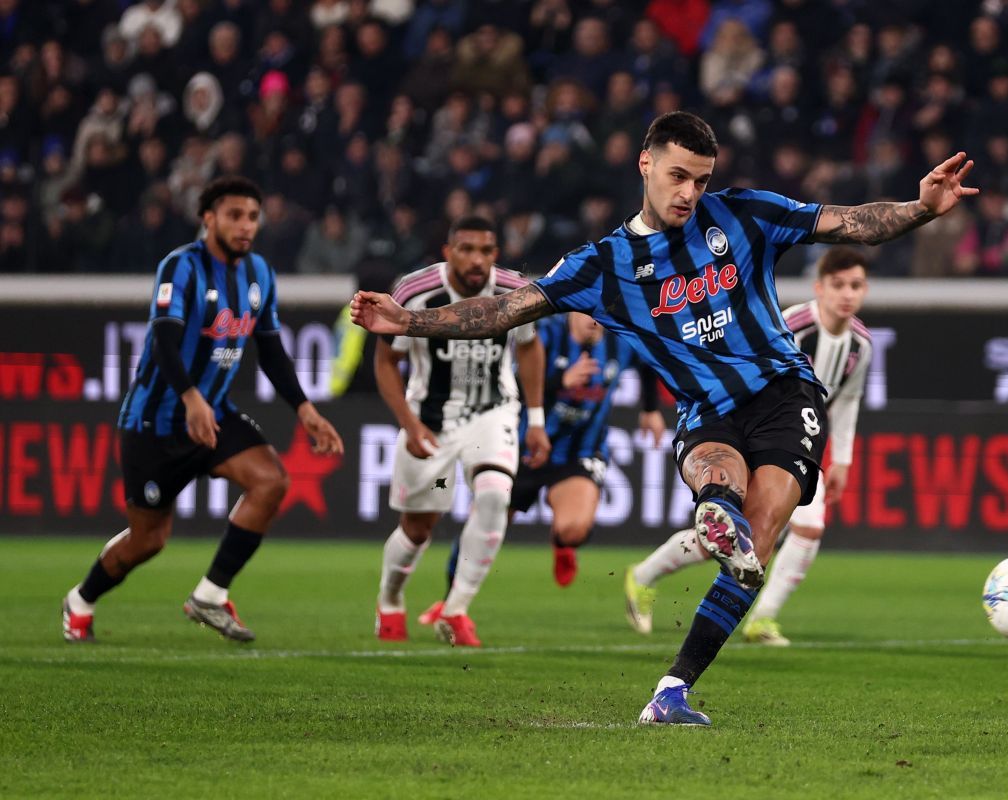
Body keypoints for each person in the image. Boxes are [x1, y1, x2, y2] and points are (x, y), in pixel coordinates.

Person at [351, 112, 975, 724]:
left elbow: (849, 223)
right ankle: (716, 512)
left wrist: (920, 208)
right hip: (705, 410)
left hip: (785, 394)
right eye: (678, 176)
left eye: (701, 180)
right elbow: (505, 310)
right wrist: (410, 321)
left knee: (755, 545)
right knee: (719, 479)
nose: (689, 193)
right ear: (645, 164)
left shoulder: (744, 213)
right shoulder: (602, 264)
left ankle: (673, 688)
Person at [61, 176, 344, 644]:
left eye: (252, 217)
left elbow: (271, 350)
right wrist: (190, 397)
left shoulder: (259, 273)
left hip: (213, 415)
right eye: (234, 216)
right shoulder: (181, 266)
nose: (245, 226)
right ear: (209, 218)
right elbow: (164, 340)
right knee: (148, 540)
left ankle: (210, 594)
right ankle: (81, 599)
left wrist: (304, 409)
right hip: (155, 421)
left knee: (271, 480)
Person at [624, 246, 873, 646]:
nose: (847, 294)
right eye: (838, 285)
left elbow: (847, 400)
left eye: (855, 286)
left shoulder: (861, 345)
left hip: (795, 441)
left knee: (805, 528)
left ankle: (762, 618)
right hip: (749, 433)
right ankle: (644, 575)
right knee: (726, 538)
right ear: (819, 287)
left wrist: (842, 459)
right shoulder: (791, 325)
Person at [373, 216, 550, 648]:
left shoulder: (515, 290)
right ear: (447, 252)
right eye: (466, 249)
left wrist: (536, 420)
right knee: (418, 528)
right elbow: (385, 362)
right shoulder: (413, 291)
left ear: (496, 254)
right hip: (431, 423)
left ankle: (456, 609)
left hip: (493, 414)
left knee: (494, 496)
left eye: (485, 251)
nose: (476, 260)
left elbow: (529, 348)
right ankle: (390, 599)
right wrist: (409, 424)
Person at [424, 312, 665, 616]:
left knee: (574, 530)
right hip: (524, 448)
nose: (594, 321)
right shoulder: (545, 334)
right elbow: (508, 385)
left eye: (599, 314)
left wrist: (650, 409)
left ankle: (562, 543)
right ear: (572, 309)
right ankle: (449, 602)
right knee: (483, 522)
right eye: (587, 312)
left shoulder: (620, 341)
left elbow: (650, 359)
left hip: (579, 452)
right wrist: (559, 382)